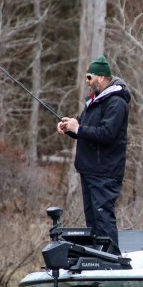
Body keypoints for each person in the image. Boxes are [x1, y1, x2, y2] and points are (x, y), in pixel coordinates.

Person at [57, 55, 131, 246]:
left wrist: (78, 128)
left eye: (89, 77)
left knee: (103, 219)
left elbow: (107, 133)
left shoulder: (116, 102)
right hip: (89, 170)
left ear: (101, 77)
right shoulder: (95, 101)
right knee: (93, 221)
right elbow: (84, 128)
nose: (87, 82)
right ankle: (98, 256)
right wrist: (70, 127)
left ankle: (111, 258)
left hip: (104, 172)